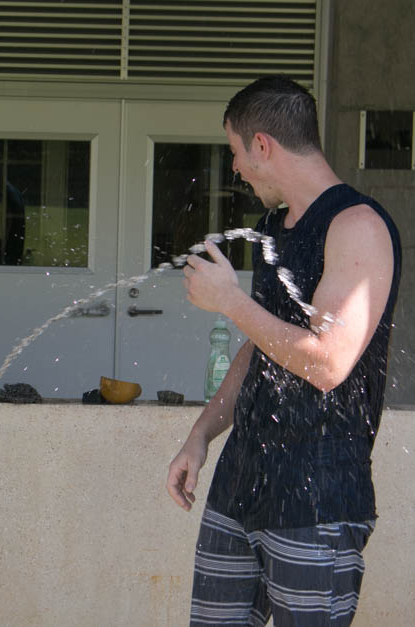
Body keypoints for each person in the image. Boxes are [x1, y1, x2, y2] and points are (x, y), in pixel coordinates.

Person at [167, 76, 401, 626]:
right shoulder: (273, 229)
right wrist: (199, 437)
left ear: (263, 145)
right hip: (239, 483)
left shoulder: (357, 226)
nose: (238, 170)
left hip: (316, 496)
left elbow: (328, 364)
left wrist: (229, 302)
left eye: (235, 153)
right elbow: (262, 346)